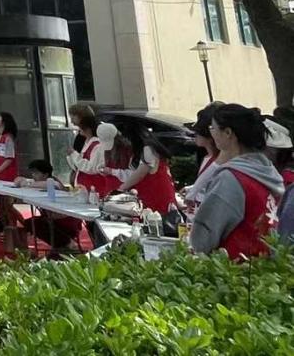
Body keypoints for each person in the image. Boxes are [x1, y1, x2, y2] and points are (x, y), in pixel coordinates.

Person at [189, 104, 284, 259]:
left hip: (235, 266)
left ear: (228, 133)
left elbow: (204, 238)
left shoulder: (231, 178)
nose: (211, 132)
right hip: (265, 264)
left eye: (213, 128)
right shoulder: (266, 171)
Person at [112, 120, 179, 226]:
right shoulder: (147, 149)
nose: (125, 142)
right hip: (152, 196)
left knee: (158, 226)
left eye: (126, 138)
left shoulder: (148, 149)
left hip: (157, 196)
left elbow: (140, 173)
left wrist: (120, 189)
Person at [6, 160, 80, 255]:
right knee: (31, 222)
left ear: (45, 174)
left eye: (36, 173)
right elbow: (18, 179)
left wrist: (27, 183)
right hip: (52, 219)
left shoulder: (53, 183)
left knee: (34, 223)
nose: (33, 175)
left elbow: (54, 185)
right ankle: (60, 246)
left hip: (66, 222)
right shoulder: (39, 182)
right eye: (32, 173)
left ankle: (67, 244)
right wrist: (22, 181)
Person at [67, 116, 121, 200]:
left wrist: (74, 155)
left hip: (95, 188)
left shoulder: (97, 145)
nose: (79, 129)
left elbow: (91, 167)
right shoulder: (88, 143)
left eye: (80, 127)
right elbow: (78, 167)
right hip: (85, 187)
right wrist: (71, 156)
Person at [185, 104, 225, 207]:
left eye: (198, 131)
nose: (195, 135)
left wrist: (192, 192)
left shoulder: (221, 162)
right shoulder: (207, 158)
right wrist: (191, 189)